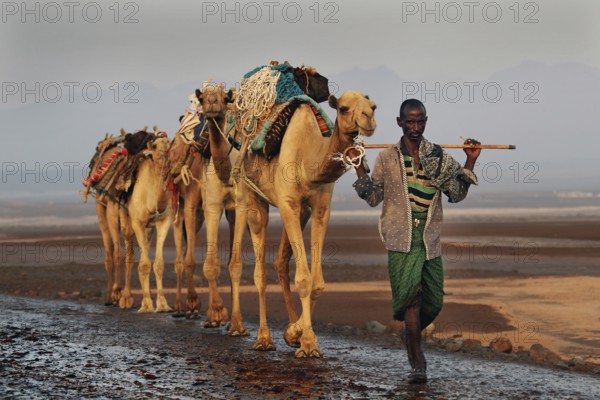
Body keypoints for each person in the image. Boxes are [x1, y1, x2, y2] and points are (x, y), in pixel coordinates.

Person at [352, 98, 481, 384]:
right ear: (399, 123)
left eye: (420, 121)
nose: (415, 127)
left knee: (433, 302)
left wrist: (471, 159)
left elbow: (457, 194)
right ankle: (417, 361)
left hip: (430, 238)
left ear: (425, 121)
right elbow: (373, 197)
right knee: (412, 300)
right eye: (409, 121)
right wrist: (358, 165)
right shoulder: (386, 158)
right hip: (400, 238)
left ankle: (409, 334)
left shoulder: (438, 156)